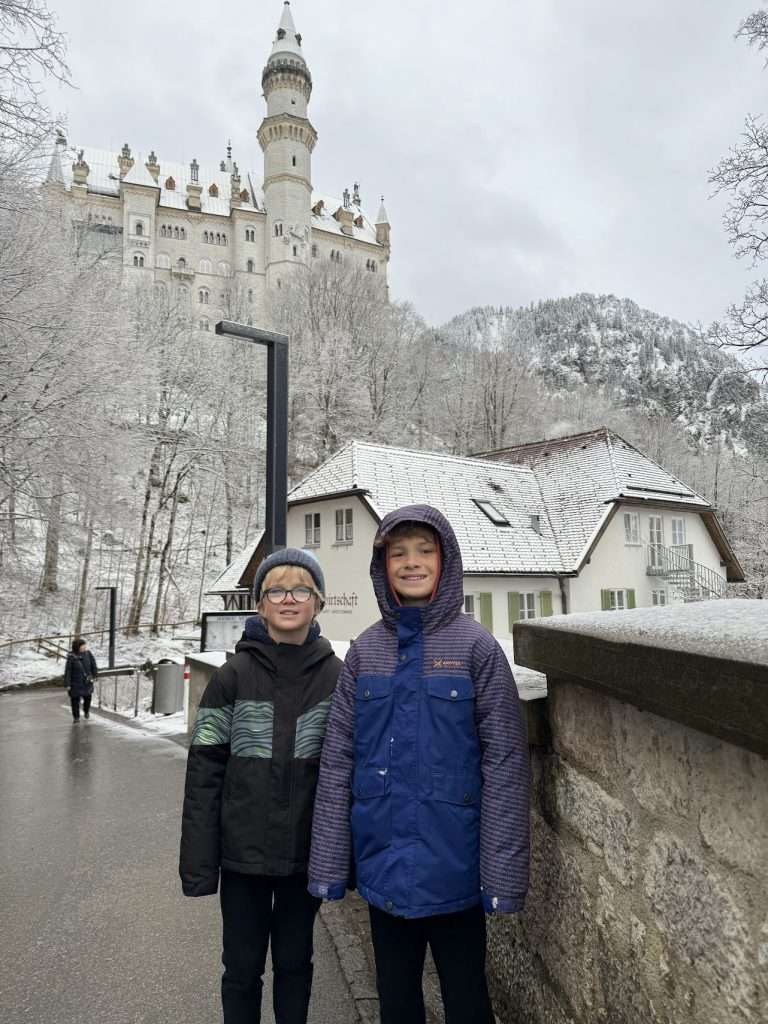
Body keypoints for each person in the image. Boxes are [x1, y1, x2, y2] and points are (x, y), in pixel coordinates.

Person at [308, 505, 530, 1024]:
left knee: (467, 1000)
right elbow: (339, 758)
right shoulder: (365, 652)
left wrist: (501, 873)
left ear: (446, 561)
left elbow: (504, 762)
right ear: (381, 566)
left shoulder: (476, 648)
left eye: (424, 551)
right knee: (397, 1001)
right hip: (383, 868)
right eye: (398, 553)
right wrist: (329, 864)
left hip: (456, 870)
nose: (411, 563)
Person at [180, 548, 342, 1024]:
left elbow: (343, 773)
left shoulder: (336, 678)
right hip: (242, 858)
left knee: (295, 964)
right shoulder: (232, 678)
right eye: (276, 590)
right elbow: (204, 773)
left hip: (304, 856)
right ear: (260, 604)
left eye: (300, 590)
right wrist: (199, 863)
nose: (288, 599)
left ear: (317, 603)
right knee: (241, 968)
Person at [64, 638, 98, 722]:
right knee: (75, 700)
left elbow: (94, 665)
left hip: (87, 681)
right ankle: (76, 717)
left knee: (88, 698)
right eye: (83, 646)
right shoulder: (71, 657)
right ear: (77, 647)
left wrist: (95, 675)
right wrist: (67, 684)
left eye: (84, 645)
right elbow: (68, 671)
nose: (84, 647)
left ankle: (86, 711)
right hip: (75, 683)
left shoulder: (88, 654)